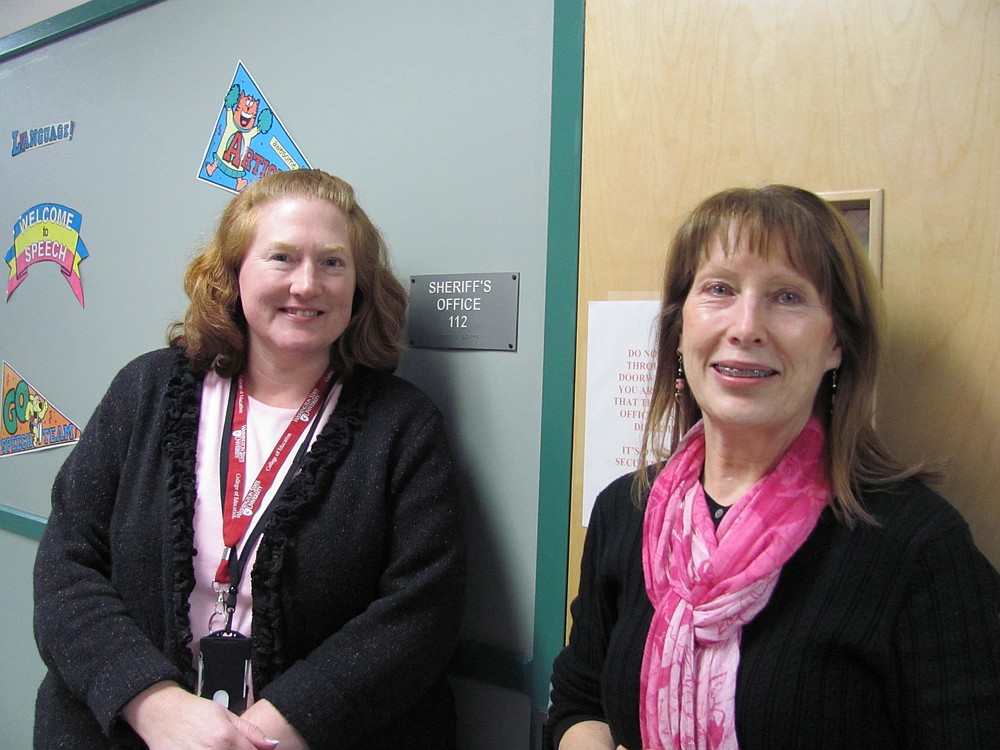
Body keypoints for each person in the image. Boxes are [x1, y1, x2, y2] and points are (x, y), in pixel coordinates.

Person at [545, 185, 1000, 750]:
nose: (746, 326)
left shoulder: (916, 547)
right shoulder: (626, 511)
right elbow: (579, 701)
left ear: (837, 342)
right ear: (680, 329)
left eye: (787, 297)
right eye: (719, 289)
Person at [33, 168, 466, 749]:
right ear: (235, 274)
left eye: (333, 263)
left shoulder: (405, 425)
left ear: (359, 284)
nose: (307, 284)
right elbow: (66, 568)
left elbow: (422, 612)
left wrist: (278, 724)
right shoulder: (146, 391)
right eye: (281, 258)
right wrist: (154, 705)